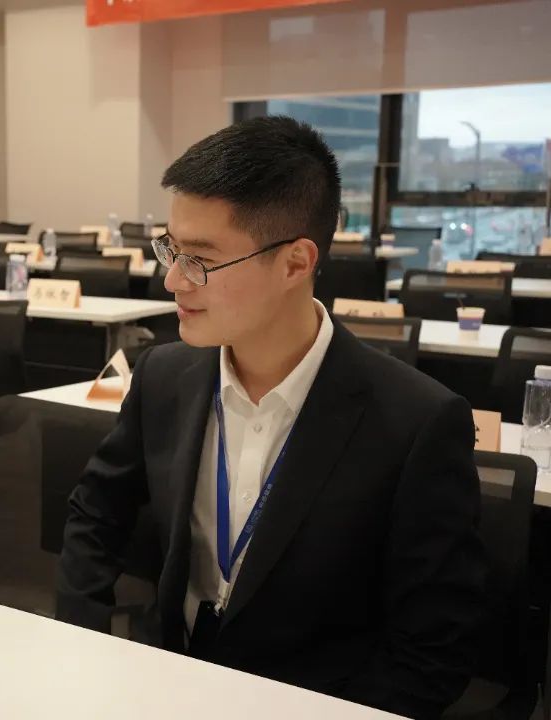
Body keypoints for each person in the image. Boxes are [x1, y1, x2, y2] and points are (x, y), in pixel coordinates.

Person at [55, 117, 485, 718]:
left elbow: (432, 651)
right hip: (165, 683)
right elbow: (96, 513)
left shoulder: (415, 421)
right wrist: (84, 645)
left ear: (294, 263)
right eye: (170, 249)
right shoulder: (164, 377)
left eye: (200, 259)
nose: (173, 279)